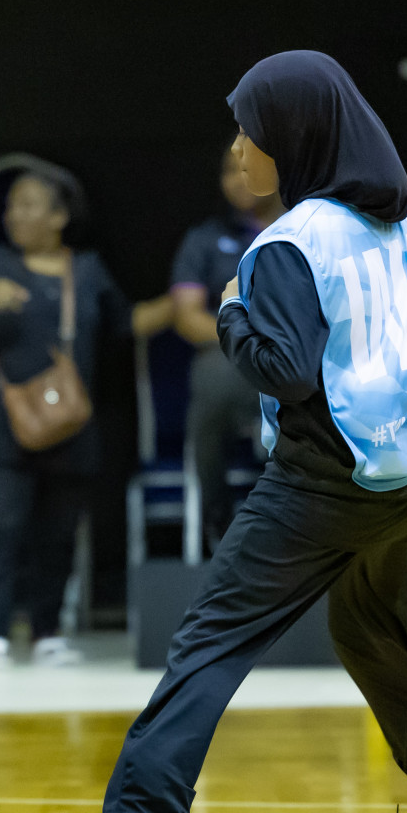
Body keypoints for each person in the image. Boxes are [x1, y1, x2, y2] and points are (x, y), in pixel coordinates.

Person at [49, 51, 407, 813]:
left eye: (251, 130)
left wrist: (235, 308)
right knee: (377, 642)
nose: (239, 148)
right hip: (400, 476)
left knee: (208, 639)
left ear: (297, 139)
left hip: (320, 475)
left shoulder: (287, 242)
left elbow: (283, 372)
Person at [0, 168, 171, 670]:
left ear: (60, 217)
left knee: (59, 533)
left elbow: (127, 323)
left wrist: (189, 303)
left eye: (28, 204)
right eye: (12, 205)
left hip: (69, 422)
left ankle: (47, 631)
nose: (14, 214)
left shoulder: (87, 270)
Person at [172, 143, 285, 549]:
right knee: (214, 380)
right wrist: (248, 334)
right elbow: (187, 317)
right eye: (228, 171)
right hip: (233, 360)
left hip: (295, 359)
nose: (236, 180)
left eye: (247, 168)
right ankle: (217, 523)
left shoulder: (307, 229)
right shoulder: (204, 240)